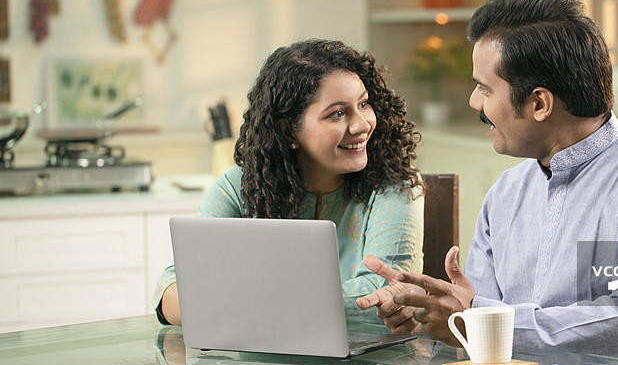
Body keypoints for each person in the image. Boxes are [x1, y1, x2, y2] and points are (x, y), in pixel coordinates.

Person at [356, 0, 618, 365]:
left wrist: (478, 323)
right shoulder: (507, 193)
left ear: (539, 104)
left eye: (485, 88)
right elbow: (476, 320)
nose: (474, 103)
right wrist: (428, 316)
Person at [153, 38, 425, 326]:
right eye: (337, 113)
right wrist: (281, 307)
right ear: (288, 131)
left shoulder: (395, 186)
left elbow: (385, 296)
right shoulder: (239, 186)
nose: (362, 124)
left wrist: (240, 304)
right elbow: (173, 286)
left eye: (363, 104)